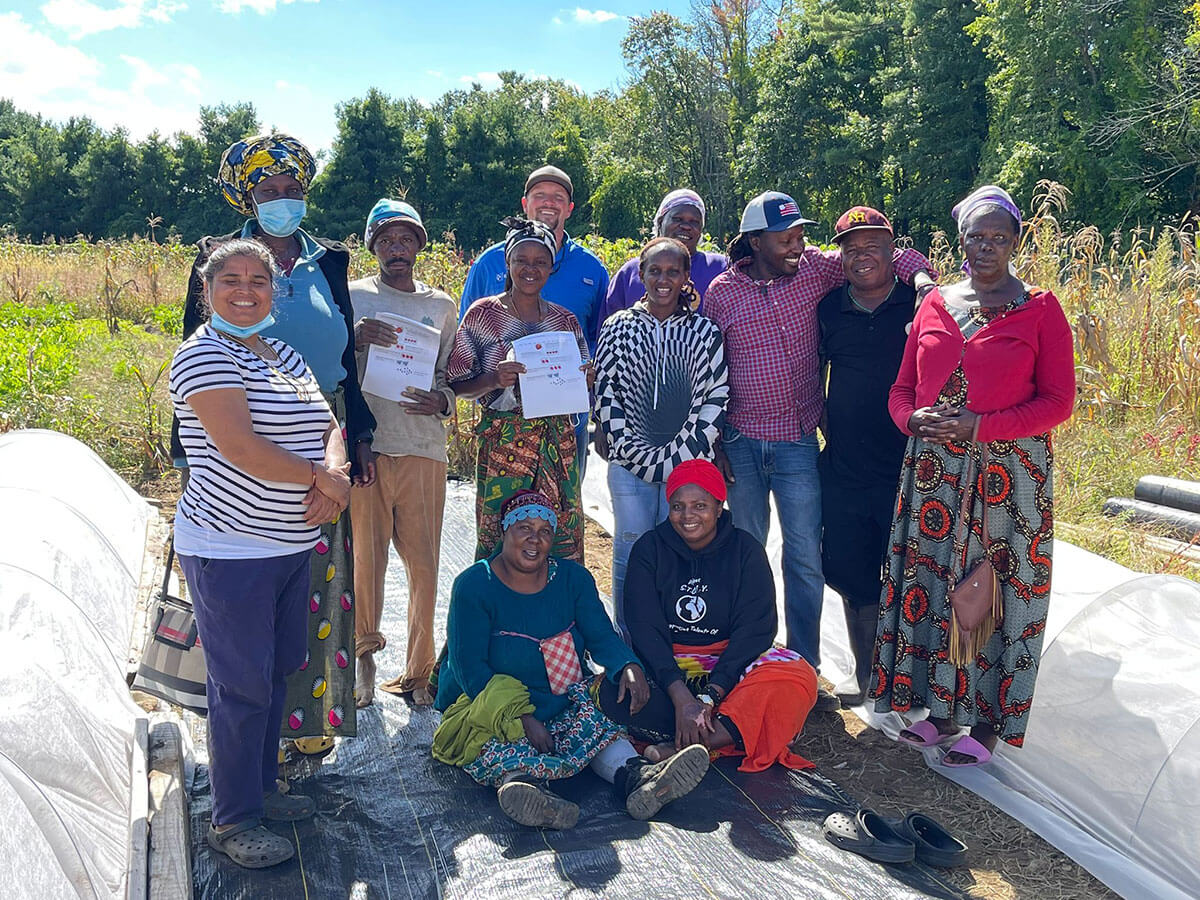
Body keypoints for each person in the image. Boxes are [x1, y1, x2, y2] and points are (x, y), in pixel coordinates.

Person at [173, 132, 376, 755]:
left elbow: (343, 357)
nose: (282, 200)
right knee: (250, 598)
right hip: (243, 447)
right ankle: (253, 746)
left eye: (292, 190)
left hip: (323, 430)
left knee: (314, 586)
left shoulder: (330, 261)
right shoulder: (221, 262)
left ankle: (307, 729)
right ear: (247, 197)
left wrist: (354, 440)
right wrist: (190, 456)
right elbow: (197, 359)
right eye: (268, 191)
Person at [704, 191, 935, 712]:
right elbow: (708, 366)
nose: (797, 245)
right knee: (745, 553)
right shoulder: (722, 292)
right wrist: (714, 439)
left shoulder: (814, 270)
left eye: (801, 235)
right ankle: (744, 665)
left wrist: (922, 281)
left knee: (805, 558)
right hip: (740, 441)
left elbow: (882, 252)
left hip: (797, 443)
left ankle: (801, 672)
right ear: (755, 241)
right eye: (786, 238)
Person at [870, 186, 1075, 767]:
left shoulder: (1040, 308)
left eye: (998, 237)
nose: (985, 247)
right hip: (934, 472)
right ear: (960, 240)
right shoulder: (933, 305)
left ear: (1015, 242)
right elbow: (901, 390)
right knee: (935, 585)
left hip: (1007, 477)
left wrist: (983, 425)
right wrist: (912, 418)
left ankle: (986, 724)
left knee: (996, 591)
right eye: (975, 236)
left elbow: (1059, 401)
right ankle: (937, 712)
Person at [169, 239, 353, 868]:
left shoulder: (282, 352)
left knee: (277, 670)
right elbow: (238, 448)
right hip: (229, 548)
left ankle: (263, 788)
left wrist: (336, 466)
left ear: (275, 291)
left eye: (259, 281)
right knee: (241, 684)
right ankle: (233, 818)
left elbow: (329, 419)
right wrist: (324, 481)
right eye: (231, 281)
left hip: (289, 542)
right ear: (206, 291)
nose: (245, 291)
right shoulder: (202, 355)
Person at [433, 490, 709, 829]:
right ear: (504, 530)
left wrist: (627, 665)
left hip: (561, 697)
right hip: (492, 702)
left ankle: (642, 780)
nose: (534, 540)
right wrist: (522, 718)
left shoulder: (573, 579)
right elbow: (469, 670)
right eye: (524, 528)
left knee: (598, 726)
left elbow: (601, 635)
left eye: (545, 531)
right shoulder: (474, 586)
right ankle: (527, 791)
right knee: (495, 739)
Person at [595, 460, 819, 772]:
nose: (688, 516)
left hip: (730, 670)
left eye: (700, 505)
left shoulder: (746, 550)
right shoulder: (649, 548)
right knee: (611, 693)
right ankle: (732, 730)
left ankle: (687, 744)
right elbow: (644, 628)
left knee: (797, 675)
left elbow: (756, 630)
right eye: (678, 506)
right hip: (667, 670)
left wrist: (710, 697)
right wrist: (682, 699)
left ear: (719, 506)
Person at [349, 199, 457, 709]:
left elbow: (448, 375)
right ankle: (364, 659)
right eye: (387, 240)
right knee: (364, 562)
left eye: (406, 239)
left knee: (424, 564)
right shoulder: (353, 298)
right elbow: (334, 371)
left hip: (422, 447)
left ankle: (419, 670)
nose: (398, 249)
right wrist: (354, 339)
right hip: (368, 449)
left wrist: (444, 401)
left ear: (419, 245)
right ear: (373, 246)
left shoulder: (441, 306)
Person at [592, 237, 728, 638]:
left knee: (677, 548)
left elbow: (715, 396)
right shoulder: (617, 327)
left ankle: (673, 641)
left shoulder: (705, 332)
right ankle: (628, 644)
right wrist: (635, 452)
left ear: (687, 276)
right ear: (641, 274)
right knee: (630, 546)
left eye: (673, 271)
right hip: (629, 463)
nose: (663, 279)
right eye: (655, 270)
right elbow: (606, 391)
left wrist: (678, 457)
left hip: (687, 466)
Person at [817, 207, 917, 706]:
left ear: (892, 248)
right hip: (845, 468)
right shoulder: (829, 307)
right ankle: (866, 674)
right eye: (851, 249)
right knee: (855, 579)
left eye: (872, 246)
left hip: (909, 467)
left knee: (913, 574)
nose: (862, 257)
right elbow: (813, 371)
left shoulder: (920, 302)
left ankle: (914, 679)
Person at [449, 218, 593, 562]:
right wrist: (492, 381)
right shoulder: (483, 315)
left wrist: (585, 380)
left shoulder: (565, 321)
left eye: (540, 261)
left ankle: (559, 612)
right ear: (507, 264)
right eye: (521, 261)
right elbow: (455, 381)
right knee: (501, 531)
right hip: (504, 442)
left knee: (560, 533)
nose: (531, 269)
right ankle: (500, 612)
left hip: (557, 443)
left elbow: (580, 382)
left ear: (551, 267)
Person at [458, 165, 608, 477]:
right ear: (525, 204)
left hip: (566, 427)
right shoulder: (487, 265)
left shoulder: (590, 271)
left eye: (558, 197)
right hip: (504, 432)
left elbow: (598, 341)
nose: (548, 203)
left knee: (562, 514)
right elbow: (459, 363)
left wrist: (587, 378)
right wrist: (493, 379)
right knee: (505, 522)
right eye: (540, 195)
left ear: (570, 208)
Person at [595, 189, 728, 334]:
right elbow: (607, 330)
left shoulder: (719, 268)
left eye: (694, 222)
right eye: (677, 219)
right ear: (660, 222)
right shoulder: (630, 272)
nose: (686, 226)